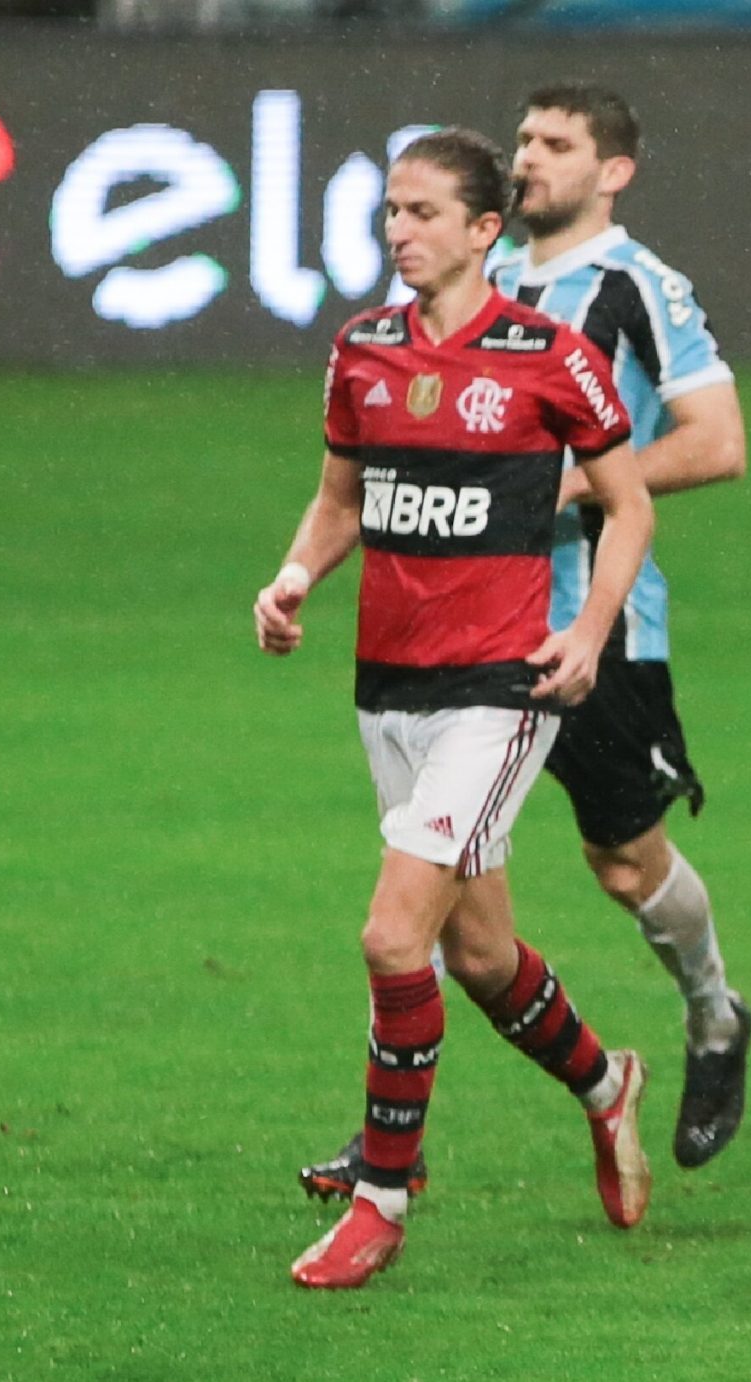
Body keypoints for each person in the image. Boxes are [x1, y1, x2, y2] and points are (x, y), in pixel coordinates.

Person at [297, 84, 751, 1204]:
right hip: (453, 644)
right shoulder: (460, 301)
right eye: (524, 141)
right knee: (439, 917)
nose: (531, 156)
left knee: (621, 863)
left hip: (591, 628)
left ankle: (711, 1010)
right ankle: (394, 1148)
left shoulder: (634, 289)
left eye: (557, 143)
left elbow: (720, 442)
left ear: (613, 171)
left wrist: (552, 484)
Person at [253, 128, 656, 1288]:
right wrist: (293, 578)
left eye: (424, 212)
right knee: (478, 955)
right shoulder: (362, 351)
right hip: (390, 688)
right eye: (391, 211)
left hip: (502, 690)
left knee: (392, 935)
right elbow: (344, 499)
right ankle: (603, 1081)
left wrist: (584, 636)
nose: (398, 231)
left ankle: (382, 1195)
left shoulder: (547, 355)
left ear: (486, 229)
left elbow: (627, 508)